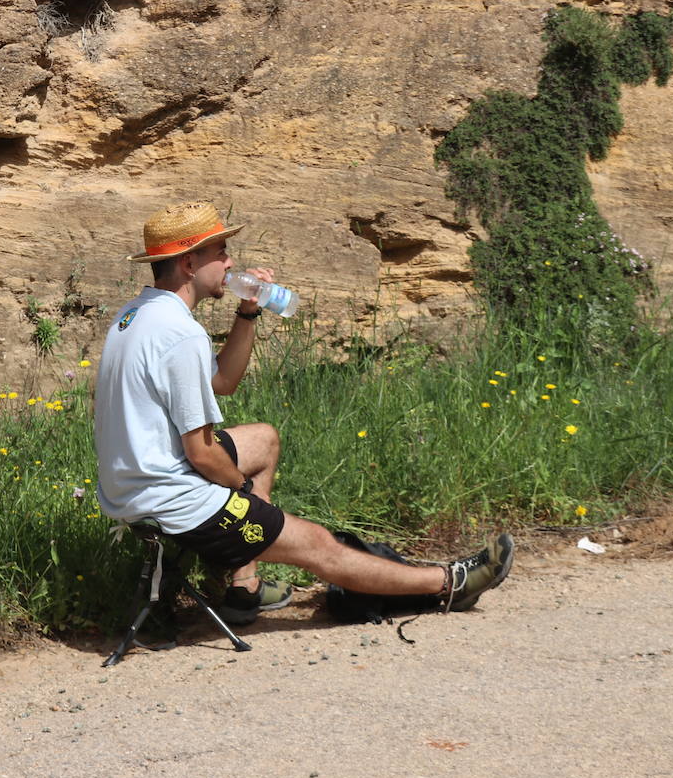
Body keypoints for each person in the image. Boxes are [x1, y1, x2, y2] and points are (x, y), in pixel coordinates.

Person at [94, 201, 513, 626]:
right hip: (170, 497)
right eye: (220, 251)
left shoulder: (136, 313)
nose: (230, 261)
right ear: (189, 262)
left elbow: (222, 382)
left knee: (263, 439)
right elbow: (201, 453)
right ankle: (449, 583)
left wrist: (249, 310)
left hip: (132, 480)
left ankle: (245, 588)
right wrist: (239, 488)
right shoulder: (180, 333)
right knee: (318, 545)